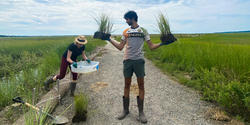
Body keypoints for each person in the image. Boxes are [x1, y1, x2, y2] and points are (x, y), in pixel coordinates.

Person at [105, 11, 170, 124]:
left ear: (133, 18)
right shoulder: (126, 31)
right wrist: (109, 39)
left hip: (139, 61)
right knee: (127, 85)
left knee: (141, 85)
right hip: (127, 61)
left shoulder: (143, 31)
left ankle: (141, 112)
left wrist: (162, 43)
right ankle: (125, 110)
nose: (126, 21)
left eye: (127, 19)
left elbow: (151, 46)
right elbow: (120, 47)